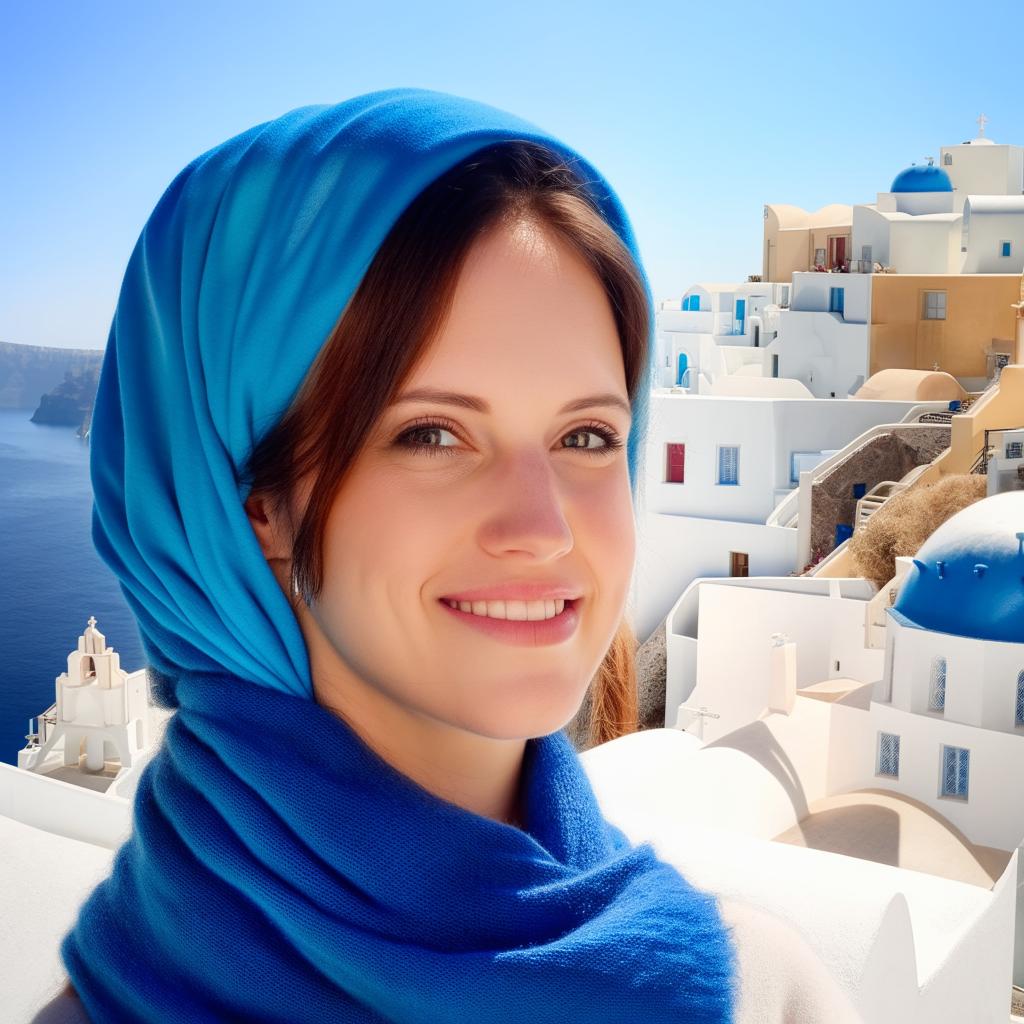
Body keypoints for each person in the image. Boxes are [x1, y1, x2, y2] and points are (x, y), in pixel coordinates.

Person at [30, 88, 862, 1023]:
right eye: (431, 434)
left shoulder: (766, 998)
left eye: (586, 436)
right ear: (251, 507)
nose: (542, 527)